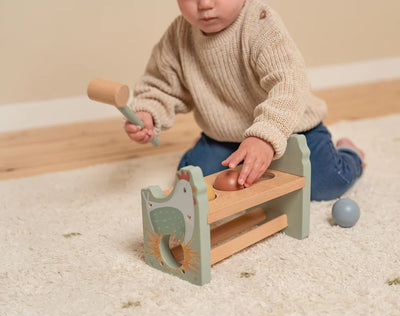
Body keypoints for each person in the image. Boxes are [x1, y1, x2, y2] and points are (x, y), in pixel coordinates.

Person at [125, 0, 365, 201]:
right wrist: (148, 113)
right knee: (193, 183)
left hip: (291, 127)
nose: (205, 4)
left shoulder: (260, 23)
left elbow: (289, 83)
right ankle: (206, 145)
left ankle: (350, 153)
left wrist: (264, 136)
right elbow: (161, 85)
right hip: (226, 136)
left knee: (328, 181)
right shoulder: (178, 36)